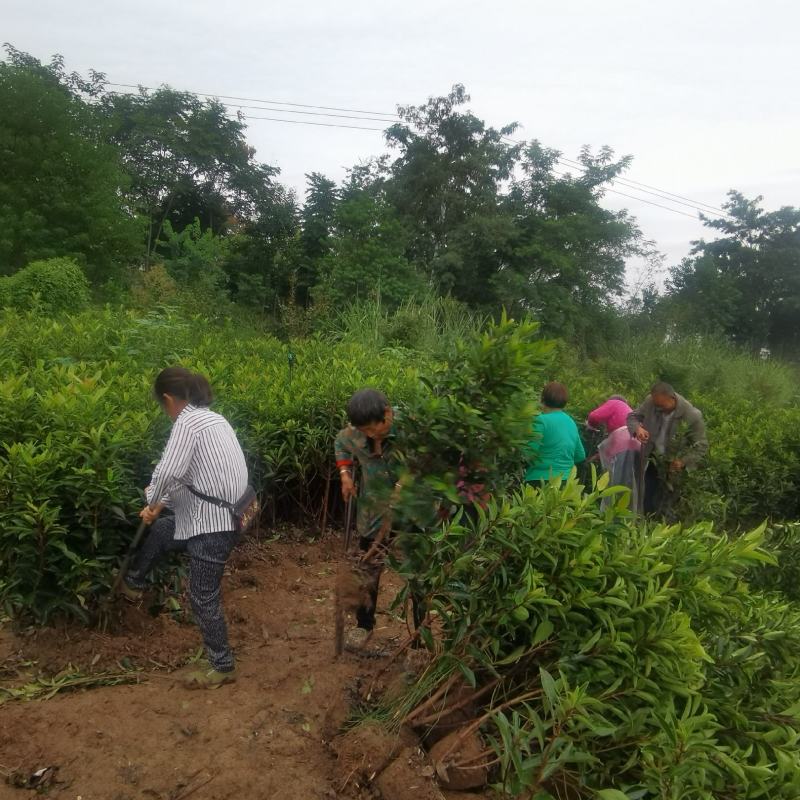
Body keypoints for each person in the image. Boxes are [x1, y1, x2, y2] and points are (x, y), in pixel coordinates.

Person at [121, 367, 249, 689]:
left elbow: (167, 471)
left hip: (214, 524)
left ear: (168, 399)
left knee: (202, 595)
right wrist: (159, 506)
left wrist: (151, 502)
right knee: (164, 531)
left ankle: (223, 666)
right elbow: (187, 474)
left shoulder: (187, 423)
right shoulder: (214, 419)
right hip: (230, 514)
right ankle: (134, 583)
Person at [335, 389, 420, 649]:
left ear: (388, 413)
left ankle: (420, 635)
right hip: (372, 516)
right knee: (368, 569)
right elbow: (341, 443)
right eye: (366, 432)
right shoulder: (355, 433)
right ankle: (364, 625)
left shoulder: (413, 428)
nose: (371, 436)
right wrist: (346, 475)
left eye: (375, 429)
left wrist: (404, 483)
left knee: (418, 576)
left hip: (411, 515)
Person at [627, 382, 708, 519]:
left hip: (673, 465)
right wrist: (638, 429)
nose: (658, 409)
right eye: (656, 405)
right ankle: (645, 528)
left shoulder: (692, 415)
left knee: (668, 501)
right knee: (647, 495)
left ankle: (665, 530)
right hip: (652, 458)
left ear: (672, 398)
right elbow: (632, 417)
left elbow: (701, 446)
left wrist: (683, 461)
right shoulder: (651, 402)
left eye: (662, 406)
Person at [525, 382, 586, 484]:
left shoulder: (540, 421)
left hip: (539, 480)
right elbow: (580, 455)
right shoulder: (570, 422)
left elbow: (528, 453)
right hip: (566, 482)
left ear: (542, 399)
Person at [586, 395, 641, 507]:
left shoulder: (615, 403)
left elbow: (594, 416)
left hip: (624, 444)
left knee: (613, 481)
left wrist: (590, 426)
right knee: (626, 484)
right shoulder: (629, 413)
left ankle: (607, 512)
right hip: (637, 446)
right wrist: (597, 456)